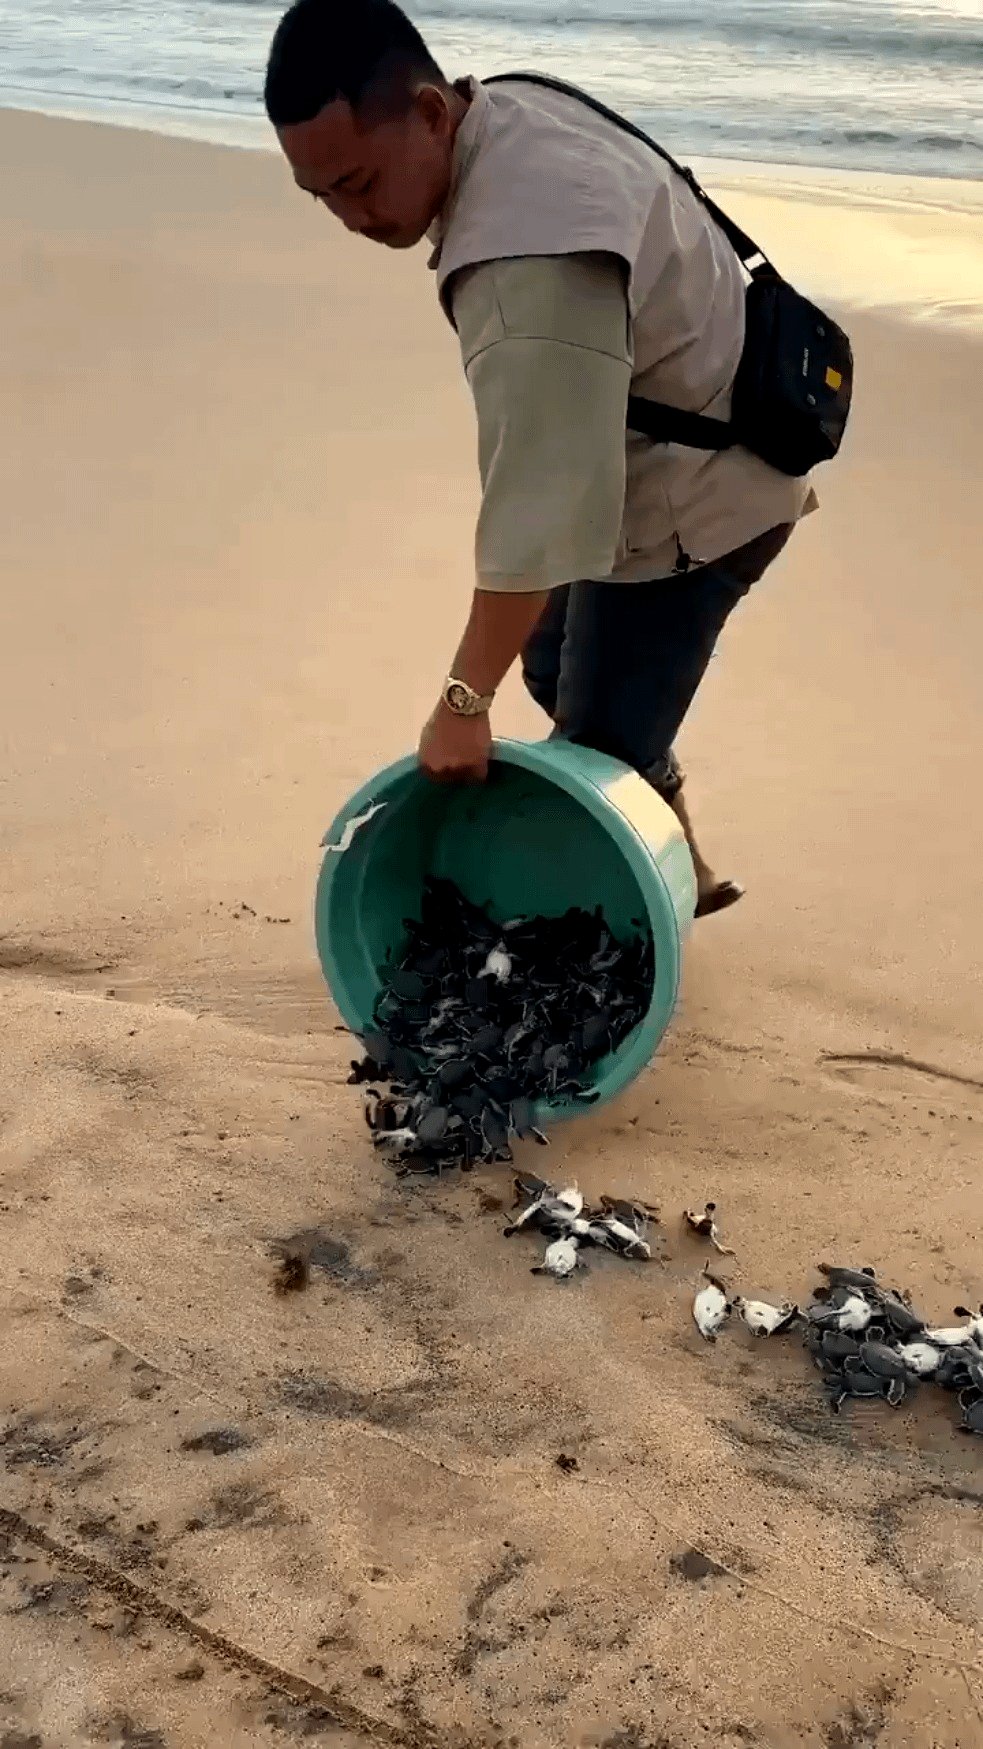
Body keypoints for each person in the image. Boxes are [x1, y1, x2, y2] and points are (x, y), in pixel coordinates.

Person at [264, 0, 816, 917]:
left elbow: (543, 507)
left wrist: (459, 700)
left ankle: (649, 916)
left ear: (433, 112)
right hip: (705, 416)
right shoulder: (506, 110)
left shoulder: (527, 261)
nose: (348, 218)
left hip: (707, 497)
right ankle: (679, 840)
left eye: (359, 182)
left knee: (595, 748)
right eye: (321, 195)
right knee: (555, 653)